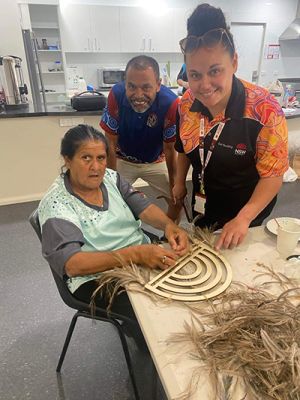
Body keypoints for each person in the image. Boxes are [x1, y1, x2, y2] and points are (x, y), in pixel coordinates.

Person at [38, 124, 189, 329]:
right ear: (67, 159)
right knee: (162, 311)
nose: (96, 167)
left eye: (100, 158)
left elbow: (143, 207)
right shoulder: (57, 204)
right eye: (86, 158)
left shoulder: (111, 178)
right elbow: (73, 265)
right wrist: (136, 255)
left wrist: (169, 225)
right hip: (96, 277)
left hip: (138, 253)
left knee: (188, 281)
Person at [173, 3, 288, 251]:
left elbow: (273, 176)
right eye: (194, 74)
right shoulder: (185, 104)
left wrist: (244, 219)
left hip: (247, 215)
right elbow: (183, 148)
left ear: (234, 62)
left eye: (215, 71)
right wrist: (180, 182)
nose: (204, 85)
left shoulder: (264, 109)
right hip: (203, 206)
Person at [100, 55, 182, 222]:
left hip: (156, 161)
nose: (138, 95)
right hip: (123, 159)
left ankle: (169, 233)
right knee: (109, 200)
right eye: (132, 86)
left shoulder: (171, 103)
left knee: (177, 198)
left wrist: (175, 185)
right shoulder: (115, 95)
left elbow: (169, 148)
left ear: (158, 85)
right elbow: (110, 142)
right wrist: (112, 182)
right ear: (125, 83)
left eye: (146, 87)